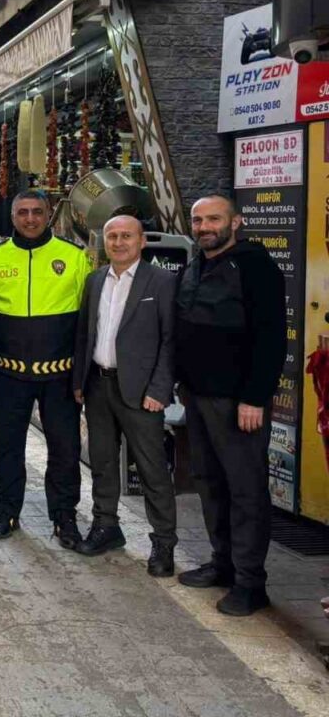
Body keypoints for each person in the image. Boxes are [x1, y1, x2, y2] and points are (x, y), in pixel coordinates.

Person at [175, 195, 285, 615]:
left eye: (213, 219)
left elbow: (272, 336)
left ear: (235, 222)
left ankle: (250, 583)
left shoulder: (254, 265)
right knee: (209, 483)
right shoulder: (197, 263)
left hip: (238, 403)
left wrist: (255, 397)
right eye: (198, 219)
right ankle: (223, 564)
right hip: (198, 398)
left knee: (245, 490)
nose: (204, 226)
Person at [0, 190, 90, 546]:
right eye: (23, 213)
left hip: (59, 376)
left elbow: (88, 321)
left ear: (49, 216)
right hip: (9, 375)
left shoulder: (74, 257)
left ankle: (64, 518)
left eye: (37, 212)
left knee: (65, 450)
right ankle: (6, 511)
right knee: (6, 448)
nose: (30, 219)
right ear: (13, 217)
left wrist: (81, 375)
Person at [71, 215, 178, 576]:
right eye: (112, 236)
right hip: (99, 386)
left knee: (151, 470)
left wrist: (160, 391)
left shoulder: (161, 281)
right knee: (101, 461)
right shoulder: (95, 280)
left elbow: (170, 341)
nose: (118, 242)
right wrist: (79, 382)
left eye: (126, 236)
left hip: (142, 392)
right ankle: (106, 526)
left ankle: (163, 543)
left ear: (141, 241)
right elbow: (85, 334)